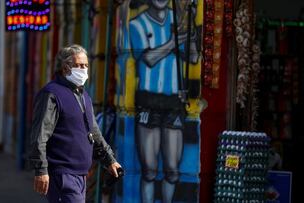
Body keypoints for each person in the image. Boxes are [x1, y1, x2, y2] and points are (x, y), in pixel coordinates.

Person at [28, 44, 122, 203]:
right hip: (63, 175)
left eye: (86, 65)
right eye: (79, 66)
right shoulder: (52, 94)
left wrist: (110, 160)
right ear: (65, 68)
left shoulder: (83, 95)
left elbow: (94, 132)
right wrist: (41, 170)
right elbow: (40, 136)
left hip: (80, 175)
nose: (84, 70)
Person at [128, 0, 199, 202]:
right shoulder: (137, 24)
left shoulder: (181, 21)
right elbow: (148, 59)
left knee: (173, 171)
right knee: (149, 171)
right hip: (148, 102)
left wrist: (191, 30)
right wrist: (173, 41)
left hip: (174, 102)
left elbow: (193, 58)